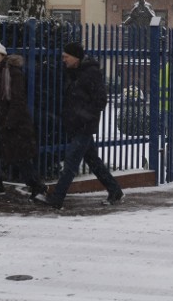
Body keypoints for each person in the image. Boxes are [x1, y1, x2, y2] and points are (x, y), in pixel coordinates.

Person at [39, 42, 123, 209]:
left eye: (66, 57)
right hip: (76, 125)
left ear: (76, 57)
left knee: (70, 163)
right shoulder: (74, 72)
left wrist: (84, 116)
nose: (63, 60)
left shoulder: (90, 74)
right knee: (93, 161)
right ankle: (115, 190)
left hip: (84, 126)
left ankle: (57, 198)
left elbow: (101, 100)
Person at [0, 40, 46, 199]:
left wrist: (10, 122)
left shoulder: (13, 72)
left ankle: (37, 186)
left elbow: (18, 100)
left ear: (3, 56)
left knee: (19, 155)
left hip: (12, 121)